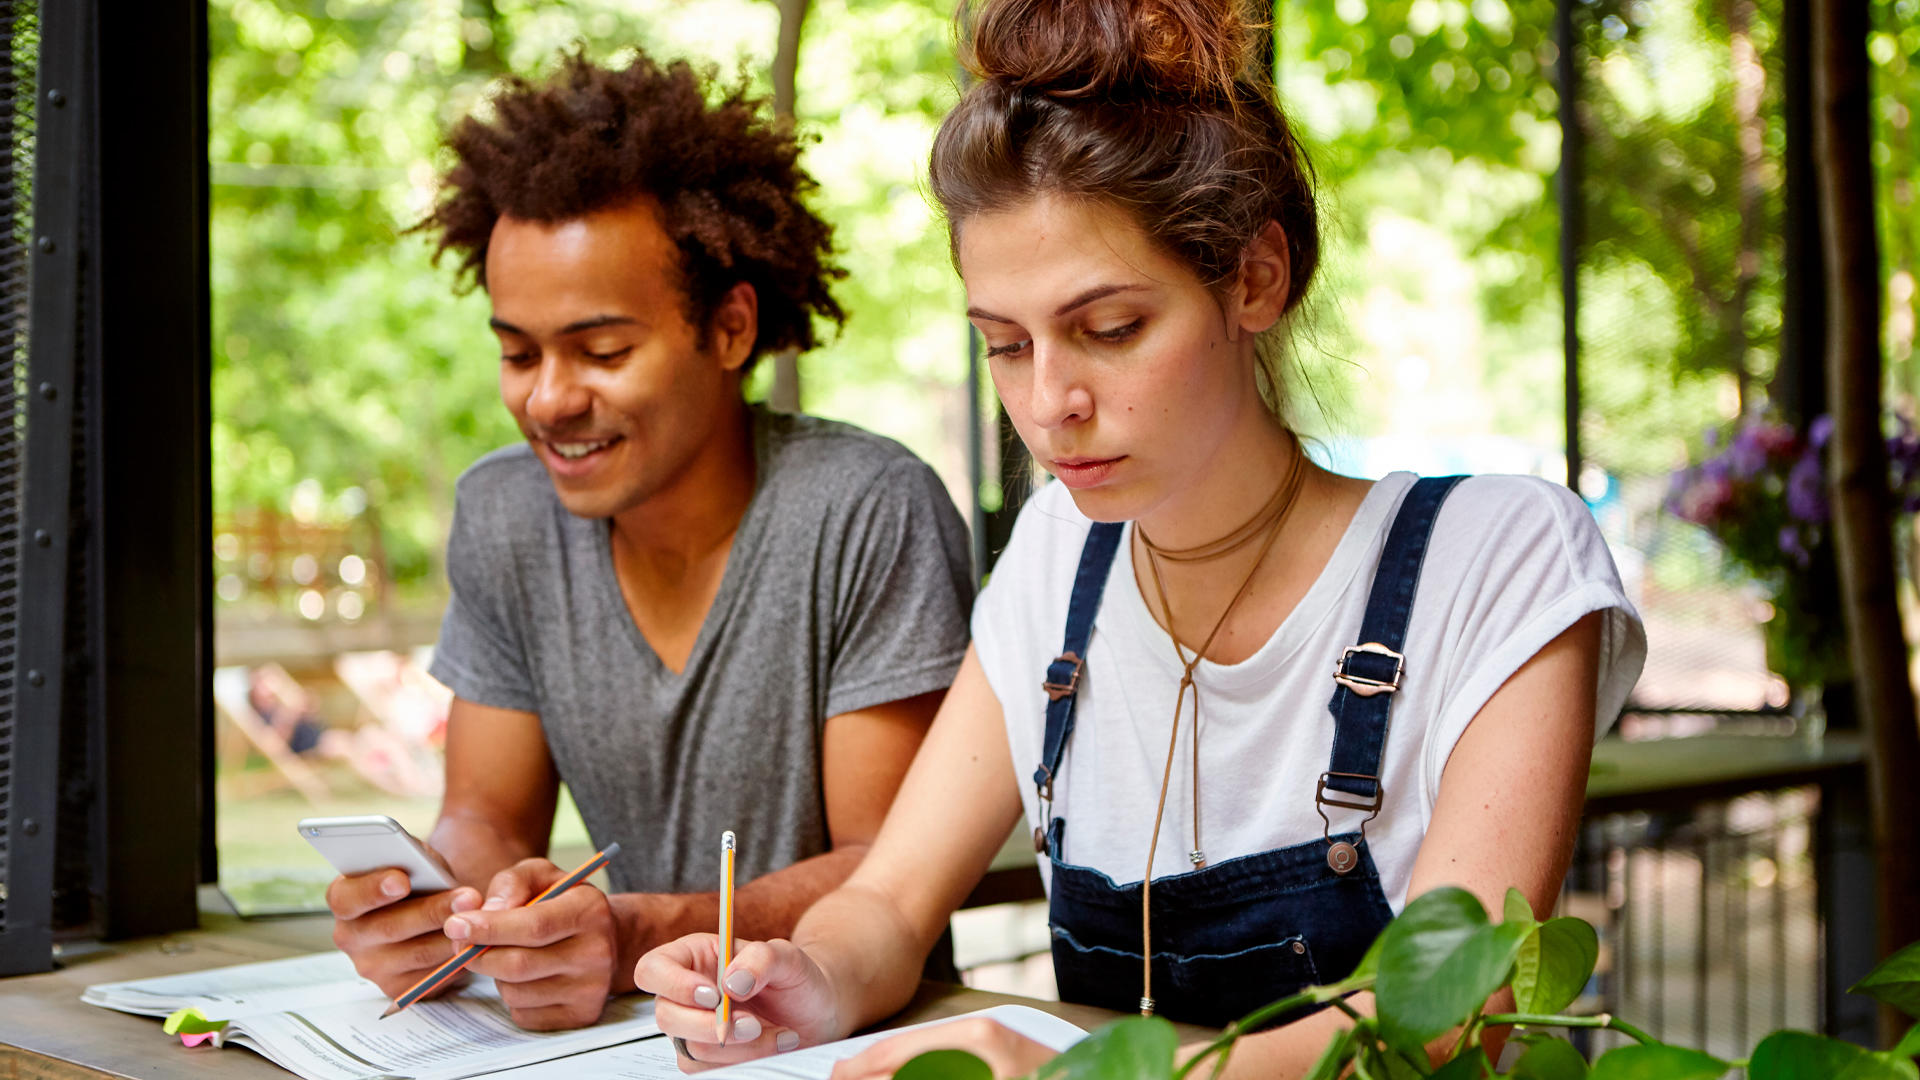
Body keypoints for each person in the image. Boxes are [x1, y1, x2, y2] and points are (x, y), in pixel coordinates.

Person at [634, 0, 1647, 1073]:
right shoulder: (1055, 559)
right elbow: (888, 895)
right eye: (1005, 347)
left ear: (1255, 278)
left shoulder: (1496, 558)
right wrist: (809, 979)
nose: (1049, 402)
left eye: (1109, 329)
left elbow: (1453, 1023)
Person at [323, 47, 975, 1032]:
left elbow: (889, 868)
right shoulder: (506, 515)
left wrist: (631, 936)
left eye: (602, 351)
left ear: (728, 329)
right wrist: (445, 904)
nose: (547, 398)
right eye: (516, 352)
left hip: (842, 1034)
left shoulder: (865, 508)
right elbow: (487, 815)